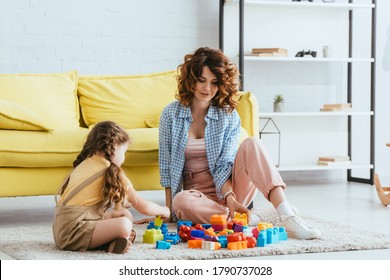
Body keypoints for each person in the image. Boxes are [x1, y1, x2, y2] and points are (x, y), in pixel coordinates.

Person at [159, 47, 321, 239]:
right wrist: (169, 212)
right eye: (202, 80)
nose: (207, 89)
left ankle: (287, 215)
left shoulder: (228, 116)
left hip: (231, 191)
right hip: (197, 199)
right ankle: (251, 219)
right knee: (181, 201)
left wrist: (230, 199)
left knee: (253, 143)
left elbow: (223, 165)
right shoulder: (170, 115)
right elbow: (167, 169)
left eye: (214, 82)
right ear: (191, 79)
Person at [53, 121, 170, 254]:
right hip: (74, 231)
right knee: (124, 224)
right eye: (124, 152)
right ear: (114, 147)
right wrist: (164, 210)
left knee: (123, 214)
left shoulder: (84, 164)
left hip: (61, 228)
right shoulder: (112, 171)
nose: (124, 158)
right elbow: (143, 206)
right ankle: (107, 243)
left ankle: (110, 242)